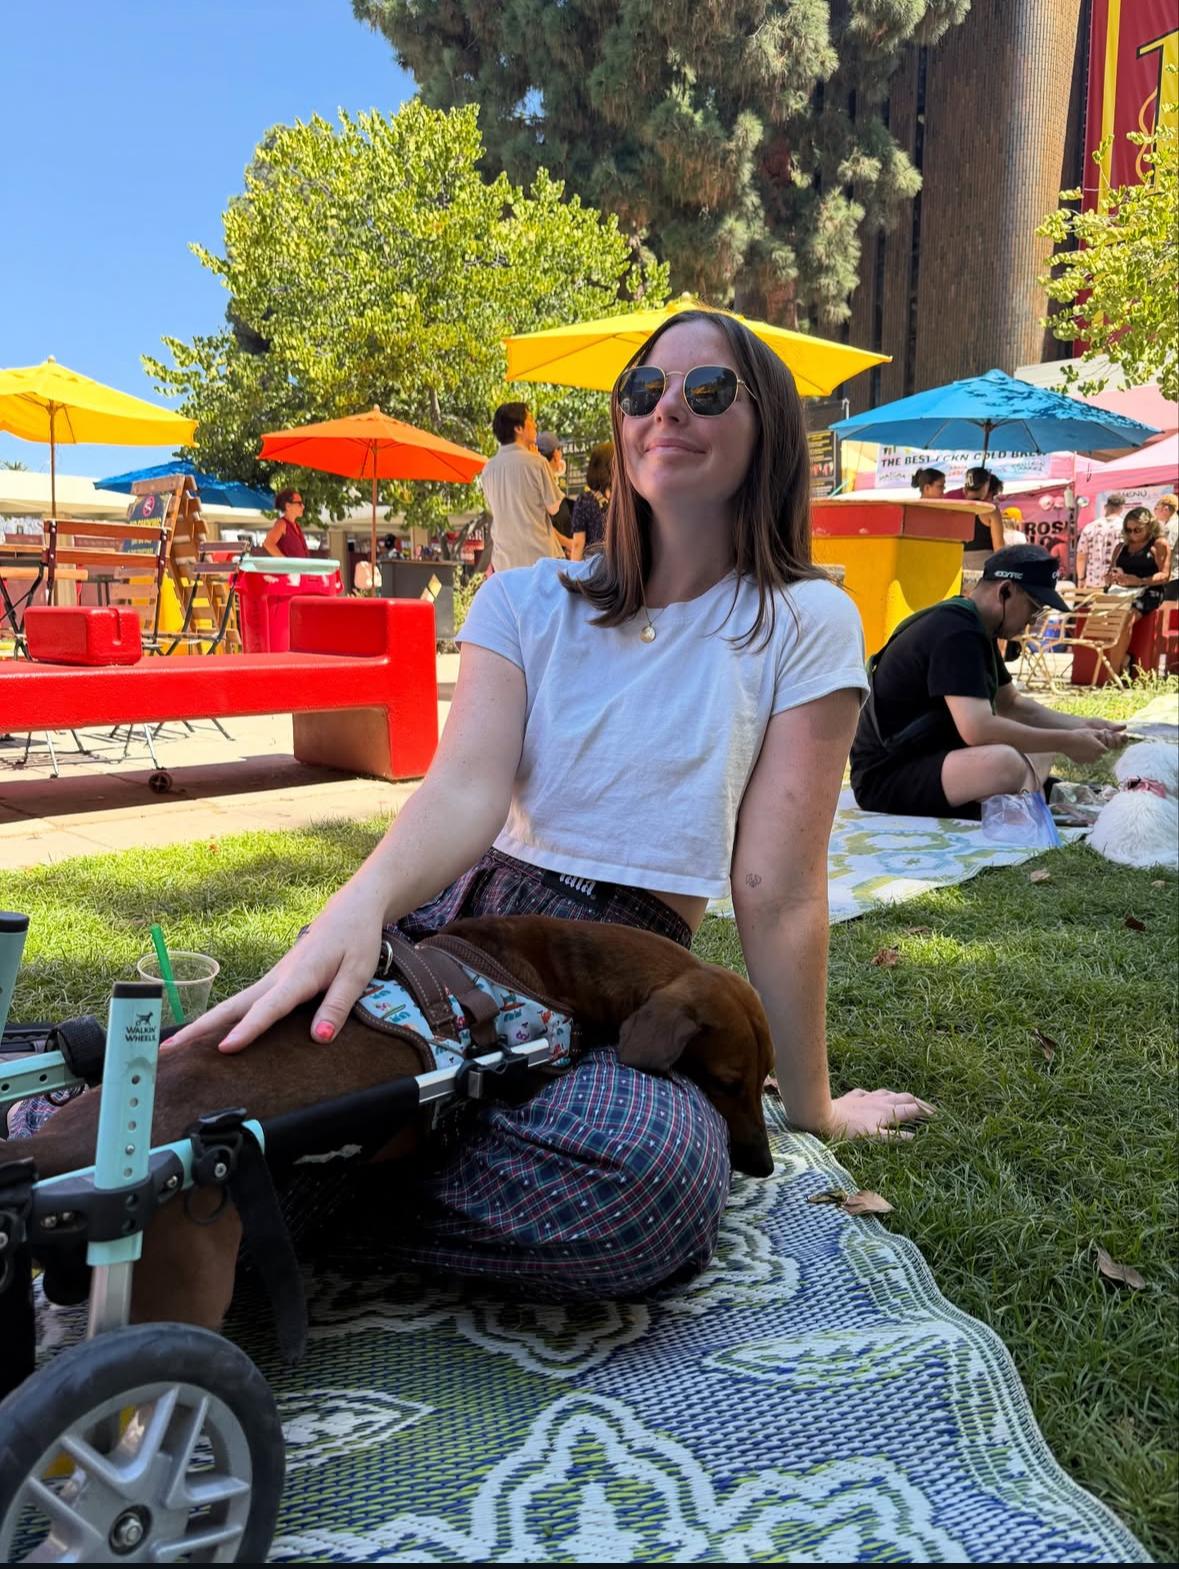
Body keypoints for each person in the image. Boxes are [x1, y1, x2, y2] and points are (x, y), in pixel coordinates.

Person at [170, 309, 931, 1303]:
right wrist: (357, 905)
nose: (668, 412)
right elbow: (466, 791)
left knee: (648, 1186)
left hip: (633, 975)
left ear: (769, 433)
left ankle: (259, 1199)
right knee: (248, 1071)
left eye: (708, 393)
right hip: (472, 934)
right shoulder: (526, 601)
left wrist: (818, 1106)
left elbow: (777, 886)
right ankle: (225, 1175)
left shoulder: (806, 619)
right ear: (619, 425)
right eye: (642, 392)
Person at [850, 545, 1125, 822]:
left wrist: (1083, 726)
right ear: (1005, 591)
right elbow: (977, 729)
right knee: (1008, 763)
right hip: (887, 777)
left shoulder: (975, 625)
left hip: (931, 756)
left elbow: (1012, 704)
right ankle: (1026, 793)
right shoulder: (957, 632)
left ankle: (1026, 791)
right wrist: (1067, 741)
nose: (1032, 622)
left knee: (1038, 743)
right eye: (1034, 608)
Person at [478, 403, 566, 572]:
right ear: (518, 428)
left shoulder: (488, 469)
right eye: (531, 420)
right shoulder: (537, 462)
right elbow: (554, 507)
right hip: (539, 558)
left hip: (504, 562)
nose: (535, 425)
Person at [1108, 505, 1172, 617]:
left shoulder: (1158, 544)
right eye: (1128, 530)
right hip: (1121, 591)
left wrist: (1140, 581)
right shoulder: (1120, 547)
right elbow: (1111, 572)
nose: (1132, 534)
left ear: (1150, 526)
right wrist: (1111, 577)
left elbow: (1165, 575)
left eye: (1137, 530)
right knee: (1097, 616)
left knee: (1124, 618)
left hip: (1149, 592)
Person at [569, 441, 613, 560]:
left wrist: (574, 573)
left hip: (595, 567)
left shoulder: (584, 500)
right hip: (623, 565)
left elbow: (578, 543)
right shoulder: (625, 498)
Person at [536, 431, 575, 557]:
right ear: (555, 454)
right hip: (553, 556)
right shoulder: (545, 486)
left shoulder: (544, 481)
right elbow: (545, 526)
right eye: (559, 450)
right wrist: (570, 543)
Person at [1075, 494, 1126, 590]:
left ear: (1105, 507)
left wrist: (1081, 578)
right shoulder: (1125, 527)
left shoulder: (1090, 527)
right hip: (1118, 581)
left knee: (1095, 605)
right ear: (1121, 508)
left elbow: (1081, 556)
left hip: (1094, 581)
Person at [962, 467, 1005, 570]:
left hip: (960, 564)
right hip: (984, 564)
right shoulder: (991, 511)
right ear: (986, 486)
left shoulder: (957, 509)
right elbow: (999, 547)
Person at [262, 489, 310, 559]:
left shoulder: (296, 526)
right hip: (290, 570)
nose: (303, 506)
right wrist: (285, 562)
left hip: (300, 569)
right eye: (299, 503)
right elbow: (268, 544)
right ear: (288, 506)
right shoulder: (282, 524)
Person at [1153, 493, 1178, 600]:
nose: (1155, 512)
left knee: (1168, 609)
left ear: (1166, 509)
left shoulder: (1171, 527)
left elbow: (1167, 551)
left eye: (1157, 508)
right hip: (1172, 574)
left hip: (1172, 575)